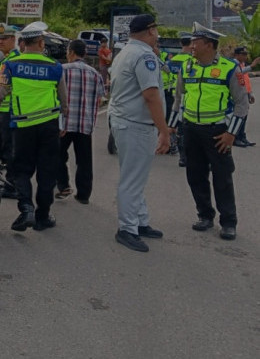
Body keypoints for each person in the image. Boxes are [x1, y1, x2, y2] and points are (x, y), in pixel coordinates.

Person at [0, 22, 67, 233]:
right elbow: (63, 101)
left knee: (21, 171)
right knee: (47, 172)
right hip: (49, 127)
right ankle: (43, 217)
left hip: (22, 126)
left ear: (23, 43)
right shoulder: (54, 66)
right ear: (42, 42)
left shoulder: (11, 65)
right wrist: (63, 123)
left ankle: (26, 209)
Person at [168, 23, 249, 241]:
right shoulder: (187, 67)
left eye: (196, 42)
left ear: (209, 45)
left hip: (217, 131)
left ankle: (228, 222)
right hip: (191, 129)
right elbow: (178, 99)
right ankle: (204, 215)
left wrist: (231, 134)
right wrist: (171, 127)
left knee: (222, 178)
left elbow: (242, 104)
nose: (191, 46)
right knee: (195, 175)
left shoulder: (230, 68)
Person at [107, 14, 169, 253]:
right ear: (151, 31)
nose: (158, 35)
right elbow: (150, 95)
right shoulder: (144, 56)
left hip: (124, 121)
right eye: (157, 30)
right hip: (136, 125)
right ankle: (127, 228)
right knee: (132, 180)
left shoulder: (125, 52)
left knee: (135, 176)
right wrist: (164, 131)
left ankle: (139, 221)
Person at [56, 39, 105, 204]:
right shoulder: (95, 73)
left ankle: (63, 186)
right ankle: (83, 195)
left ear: (70, 52)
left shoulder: (62, 70)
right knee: (84, 160)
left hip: (64, 123)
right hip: (85, 123)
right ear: (84, 54)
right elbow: (99, 100)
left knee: (58, 155)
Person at [0, 25, 20, 198]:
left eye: (3, 39)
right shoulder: (7, 59)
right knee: (7, 148)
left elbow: (3, 90)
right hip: (7, 110)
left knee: (10, 149)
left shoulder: (11, 61)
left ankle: (12, 185)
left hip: (9, 111)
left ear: (13, 40)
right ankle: (13, 183)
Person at [168, 34, 194, 166]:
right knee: (184, 126)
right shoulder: (191, 61)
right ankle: (184, 154)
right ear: (190, 45)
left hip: (172, 94)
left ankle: (174, 148)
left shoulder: (173, 59)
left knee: (174, 123)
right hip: (186, 96)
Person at [231, 46, 258, 147]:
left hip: (245, 93)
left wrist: (250, 93)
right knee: (239, 116)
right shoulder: (233, 65)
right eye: (243, 54)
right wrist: (252, 66)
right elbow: (239, 73)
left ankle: (242, 136)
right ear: (236, 55)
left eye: (246, 54)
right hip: (237, 95)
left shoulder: (242, 64)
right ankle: (236, 137)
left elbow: (246, 81)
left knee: (244, 116)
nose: (245, 56)